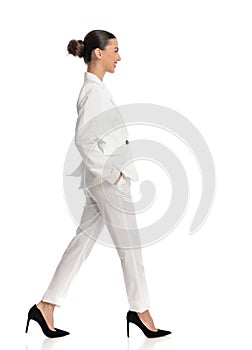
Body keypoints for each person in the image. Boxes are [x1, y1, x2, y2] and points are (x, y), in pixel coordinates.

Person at [26, 29, 171, 339]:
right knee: (130, 248)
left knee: (82, 243)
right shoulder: (94, 92)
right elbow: (84, 138)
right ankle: (141, 310)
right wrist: (112, 173)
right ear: (98, 53)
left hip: (100, 181)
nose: (119, 56)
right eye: (115, 50)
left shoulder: (97, 89)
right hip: (108, 183)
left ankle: (46, 305)